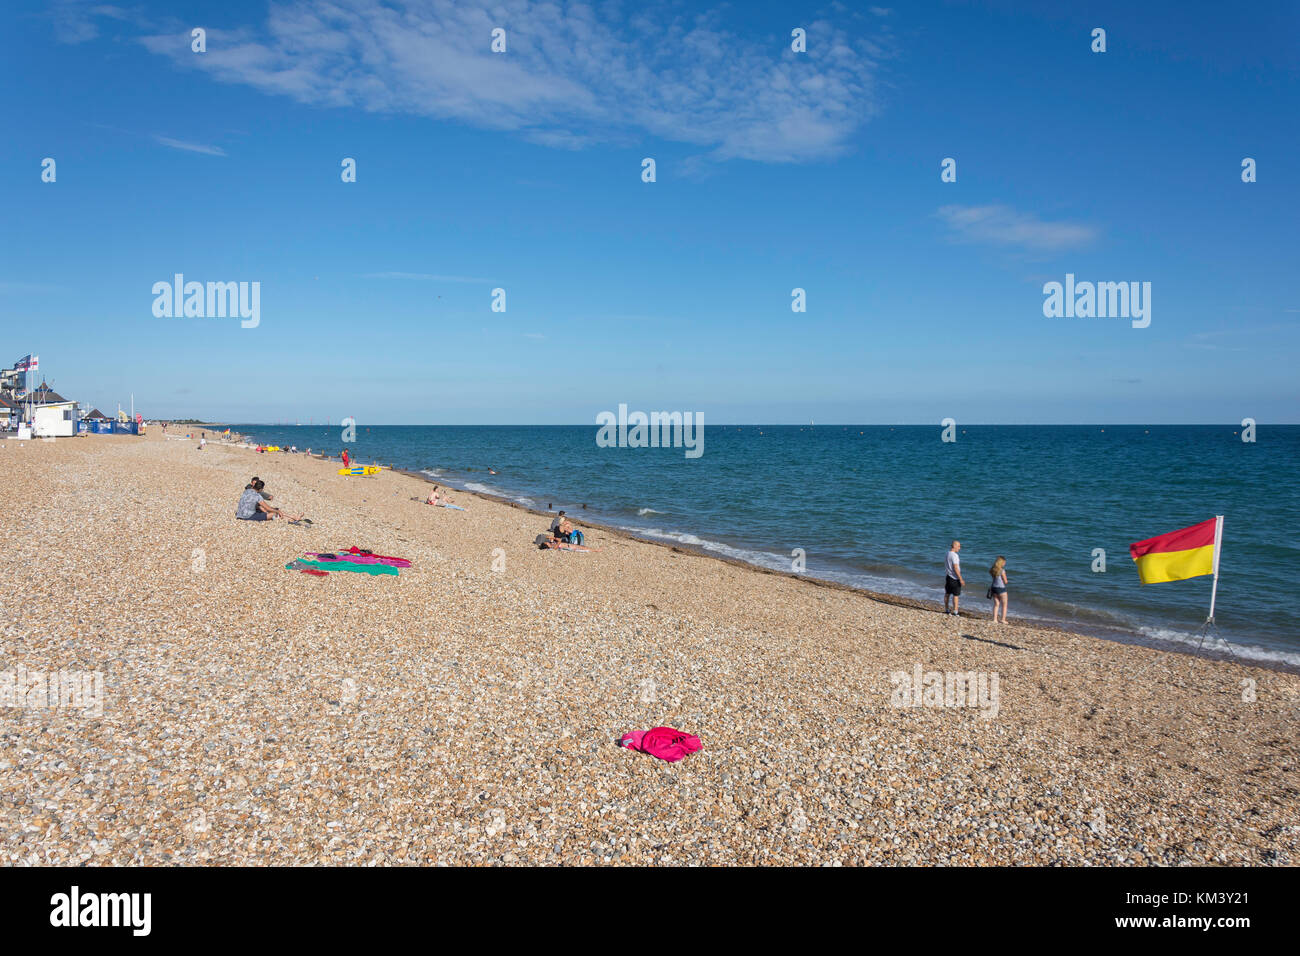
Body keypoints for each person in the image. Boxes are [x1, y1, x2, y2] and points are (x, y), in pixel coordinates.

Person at [236, 482, 302, 522]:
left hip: (239, 513)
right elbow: (268, 508)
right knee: (274, 513)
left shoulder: (247, 490)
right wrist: (278, 511)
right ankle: (291, 518)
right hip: (247, 516)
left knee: (272, 510)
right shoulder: (257, 496)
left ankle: (293, 517)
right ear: (261, 489)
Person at [944, 540, 965, 615]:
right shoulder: (954, 555)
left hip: (948, 576)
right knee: (956, 595)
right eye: (959, 546)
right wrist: (961, 579)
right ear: (954, 546)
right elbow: (956, 568)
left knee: (947, 593)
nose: (959, 548)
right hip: (954, 578)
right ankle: (955, 611)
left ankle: (946, 609)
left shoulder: (947, 553)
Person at [988, 556, 1009, 624]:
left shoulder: (993, 570)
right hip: (1001, 588)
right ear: (1002, 563)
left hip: (994, 588)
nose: (1005, 563)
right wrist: (1006, 581)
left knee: (996, 604)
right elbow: (1005, 581)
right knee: (1004, 605)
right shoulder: (1002, 570)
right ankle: (1003, 619)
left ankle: (995, 619)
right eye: (1004, 562)